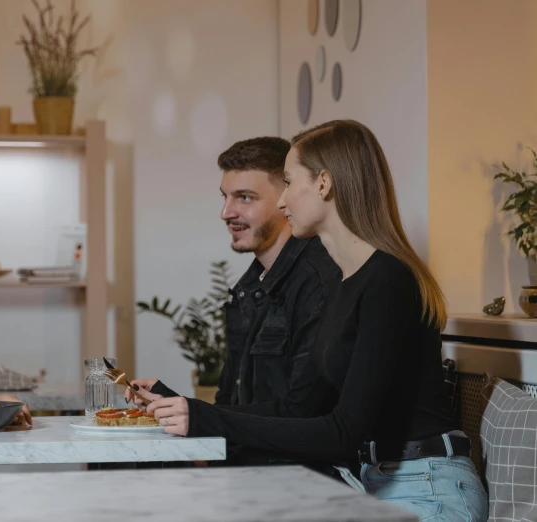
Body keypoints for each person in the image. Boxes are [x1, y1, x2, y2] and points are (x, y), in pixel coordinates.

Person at [136, 120, 488, 521]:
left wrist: (203, 419)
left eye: (288, 182)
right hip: (374, 483)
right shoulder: (344, 285)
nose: (282, 201)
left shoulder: (388, 279)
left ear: (323, 184)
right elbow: (298, 409)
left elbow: (342, 433)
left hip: (428, 488)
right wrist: (181, 406)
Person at [131, 137, 340, 467]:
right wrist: (174, 403)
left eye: (245, 198)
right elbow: (233, 404)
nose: (226, 213)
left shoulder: (320, 280)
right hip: (249, 472)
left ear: (285, 198)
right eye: (225, 197)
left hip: (300, 479)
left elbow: (305, 412)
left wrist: (198, 415)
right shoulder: (247, 291)